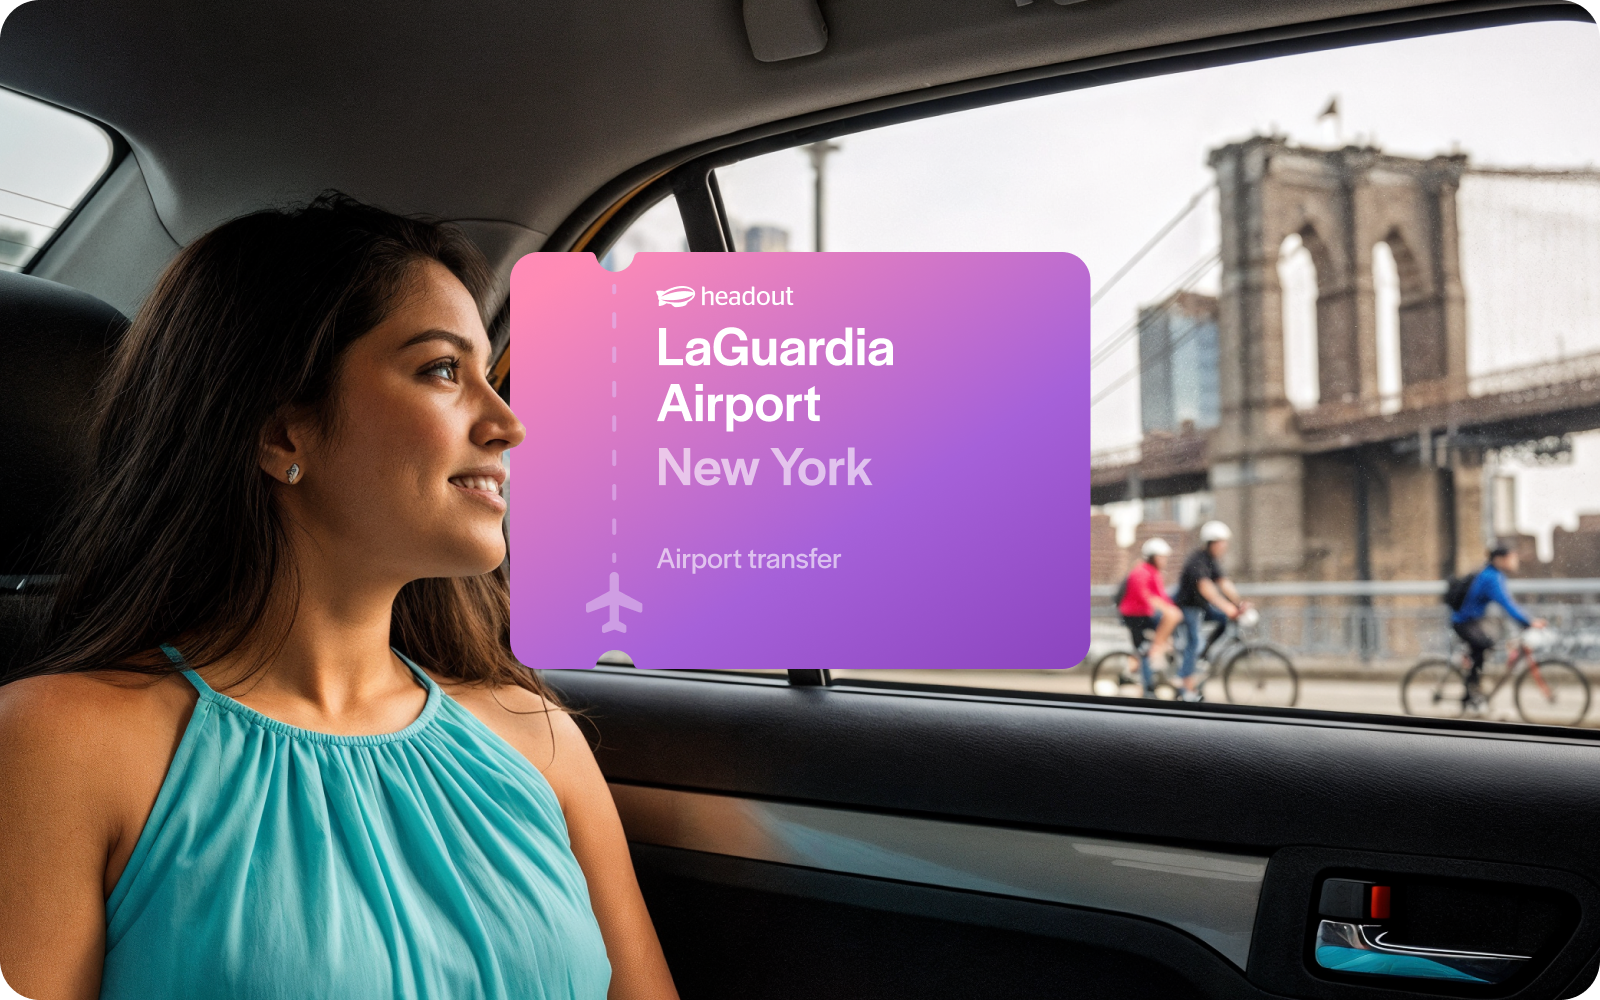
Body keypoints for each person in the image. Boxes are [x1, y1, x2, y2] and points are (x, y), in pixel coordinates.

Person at [0, 196, 678, 999]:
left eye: (488, 376)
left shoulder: (540, 738)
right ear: (282, 432)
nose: (507, 424)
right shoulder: (56, 746)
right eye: (443, 370)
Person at [1451, 543, 1546, 711]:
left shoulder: (1491, 574)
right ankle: (1471, 693)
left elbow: (1506, 604)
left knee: (1488, 644)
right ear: (1500, 559)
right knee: (1484, 645)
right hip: (1463, 622)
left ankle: (1473, 689)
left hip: (1471, 620)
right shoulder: (1491, 577)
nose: (1515, 561)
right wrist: (1528, 622)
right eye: (1512, 558)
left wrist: (1525, 620)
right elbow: (1506, 604)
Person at [1173, 521, 1248, 703]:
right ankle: (1185, 688)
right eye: (1222, 542)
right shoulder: (1197, 560)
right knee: (1193, 642)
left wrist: (1238, 604)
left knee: (1223, 619)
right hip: (1187, 607)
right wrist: (1228, 607)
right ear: (1212, 543)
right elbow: (1207, 588)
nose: (1225, 546)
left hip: (1202, 607)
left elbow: (1224, 583)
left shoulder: (1211, 561)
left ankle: (1204, 653)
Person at [1118, 538, 1181, 696]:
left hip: (1145, 616)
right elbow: (1145, 595)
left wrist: (1172, 609)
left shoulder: (1153, 572)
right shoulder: (1141, 571)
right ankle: (1148, 689)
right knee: (1144, 651)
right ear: (1153, 557)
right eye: (1161, 557)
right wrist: (1166, 609)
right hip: (1134, 617)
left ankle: (1151, 655)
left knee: (1150, 648)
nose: (1164, 561)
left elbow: (1162, 596)